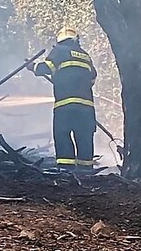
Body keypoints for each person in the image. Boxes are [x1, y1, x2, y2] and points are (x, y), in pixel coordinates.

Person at [27, 27, 97, 172]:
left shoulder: (60, 50)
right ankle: (86, 170)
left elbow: (45, 68)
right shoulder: (85, 55)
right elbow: (92, 78)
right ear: (76, 39)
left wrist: (32, 66)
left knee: (62, 134)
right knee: (84, 136)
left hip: (65, 104)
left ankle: (66, 168)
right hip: (86, 107)